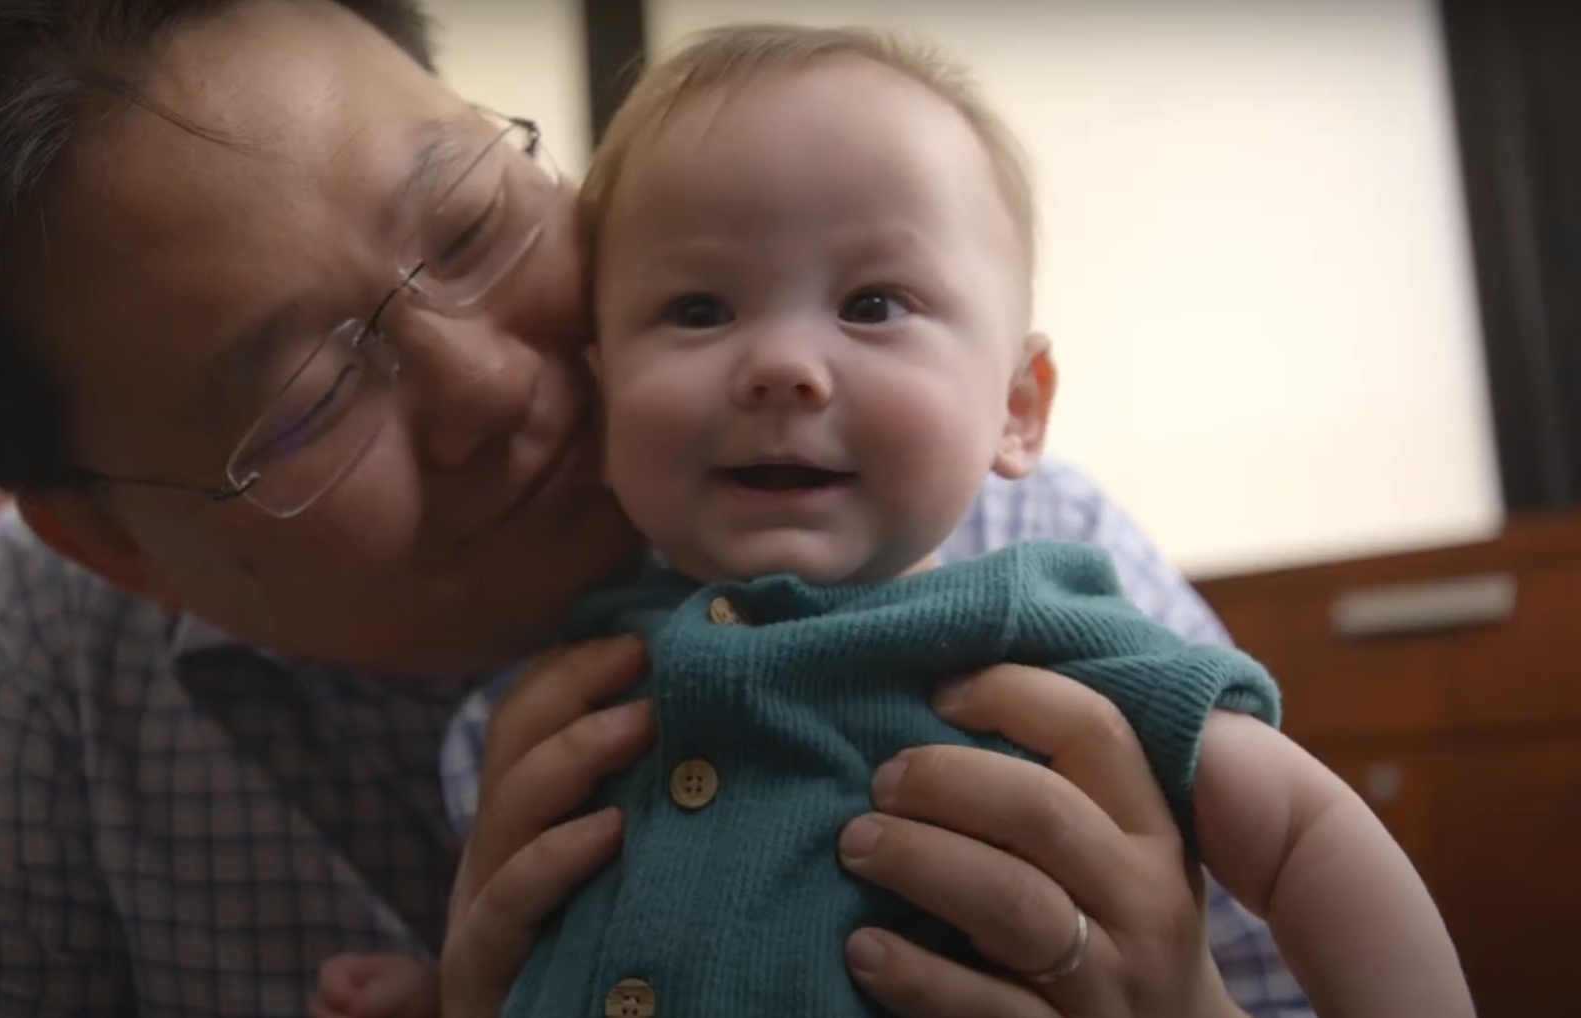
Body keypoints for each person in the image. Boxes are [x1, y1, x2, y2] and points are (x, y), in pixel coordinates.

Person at [0, 1, 1316, 1016]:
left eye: (473, 222)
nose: (491, 384)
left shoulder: (1004, 556)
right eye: (304, 400)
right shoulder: (51, 641)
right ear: (116, 545)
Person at [372, 23, 1466, 1018]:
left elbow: (1308, 832)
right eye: (699, 309)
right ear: (603, 397)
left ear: (1016, 407)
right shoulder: (572, 691)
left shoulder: (1038, 640)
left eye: (873, 304)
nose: (785, 366)